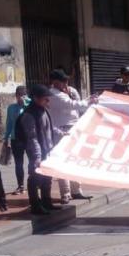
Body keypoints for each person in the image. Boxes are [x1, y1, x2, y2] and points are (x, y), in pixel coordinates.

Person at [47, 69, 94, 203]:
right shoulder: (53, 94)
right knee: (62, 161)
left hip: (74, 127)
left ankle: (76, 190)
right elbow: (73, 105)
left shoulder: (69, 91)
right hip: (61, 130)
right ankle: (66, 193)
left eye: (66, 80)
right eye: (63, 81)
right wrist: (89, 102)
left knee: (75, 159)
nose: (66, 83)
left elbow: (78, 103)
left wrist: (77, 97)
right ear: (55, 82)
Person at [20, 84, 59, 216]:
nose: (48, 101)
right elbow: (32, 137)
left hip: (47, 149)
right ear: (36, 98)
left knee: (47, 177)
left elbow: (48, 128)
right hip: (36, 151)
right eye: (45, 99)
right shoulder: (29, 114)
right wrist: (37, 156)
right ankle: (35, 206)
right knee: (35, 177)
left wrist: (61, 133)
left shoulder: (43, 110)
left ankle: (46, 201)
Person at [4, 85, 29, 195]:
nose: (20, 98)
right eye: (18, 96)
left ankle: (35, 182)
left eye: (23, 96)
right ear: (16, 96)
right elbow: (9, 123)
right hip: (16, 138)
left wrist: (26, 103)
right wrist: (6, 138)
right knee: (18, 163)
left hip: (29, 138)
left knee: (33, 162)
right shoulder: (11, 108)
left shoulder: (30, 106)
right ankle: (20, 186)